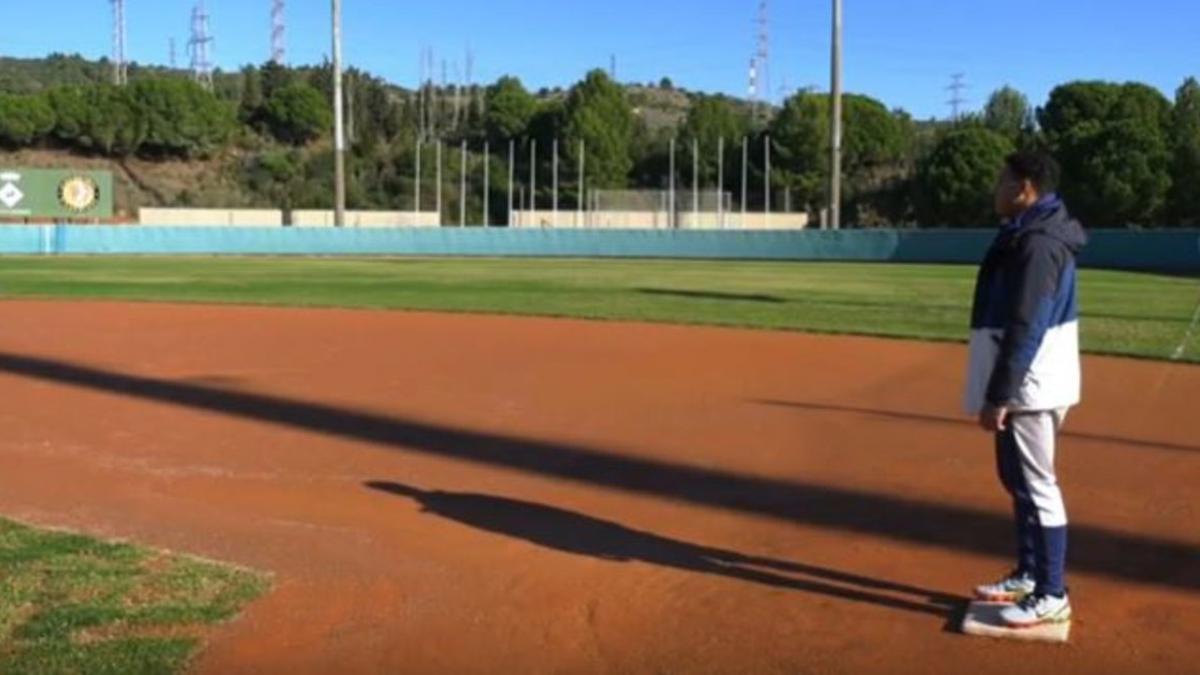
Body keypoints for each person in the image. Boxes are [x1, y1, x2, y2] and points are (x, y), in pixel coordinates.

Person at [965, 150, 1087, 628]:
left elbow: (1026, 324)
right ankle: (1030, 575)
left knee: (1037, 484)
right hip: (1022, 379)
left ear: (1025, 188)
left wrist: (1001, 395)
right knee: (1017, 480)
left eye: (1002, 181)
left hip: (1030, 384)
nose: (995, 188)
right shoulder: (1026, 233)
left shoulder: (1038, 244)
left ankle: (1052, 591)